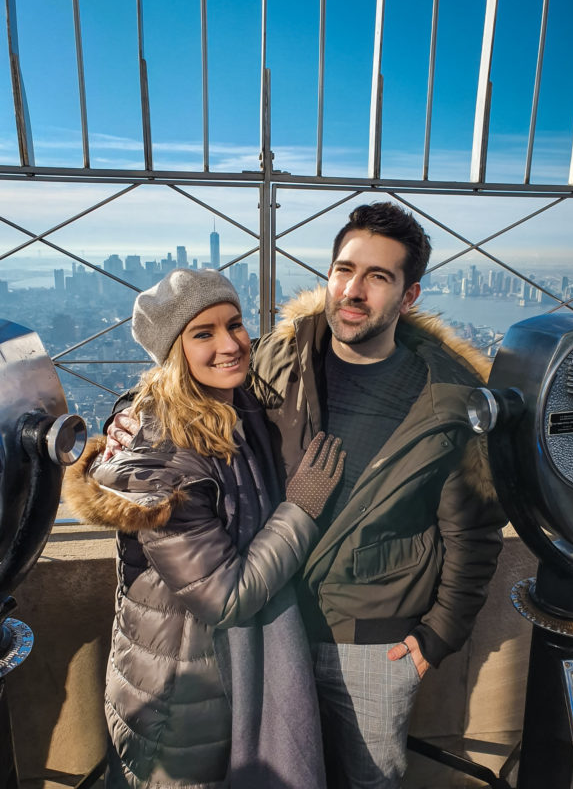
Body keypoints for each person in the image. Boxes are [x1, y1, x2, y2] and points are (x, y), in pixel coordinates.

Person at [106, 203, 506, 788]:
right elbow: (182, 385)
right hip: (268, 630)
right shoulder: (279, 355)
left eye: (378, 277)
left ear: (409, 295)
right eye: (344, 269)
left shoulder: (449, 398)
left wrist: (438, 635)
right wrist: (127, 417)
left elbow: (473, 529)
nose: (353, 290)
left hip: (374, 643)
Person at [63, 268, 345, 789]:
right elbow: (224, 595)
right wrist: (302, 509)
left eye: (234, 325)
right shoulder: (161, 464)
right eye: (202, 333)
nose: (230, 344)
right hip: (180, 698)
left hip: (215, 683)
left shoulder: (238, 410)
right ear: (173, 351)